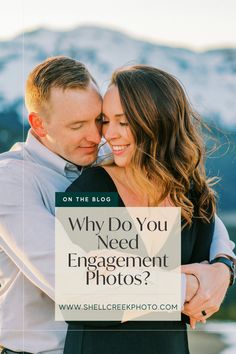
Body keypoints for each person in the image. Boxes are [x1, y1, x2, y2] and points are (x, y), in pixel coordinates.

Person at [0, 57, 234, 354]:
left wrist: (223, 267)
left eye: (99, 120)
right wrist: (190, 287)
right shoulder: (10, 182)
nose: (98, 136)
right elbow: (76, 284)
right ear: (39, 124)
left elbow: (198, 212)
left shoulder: (99, 162)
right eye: (77, 125)